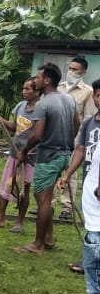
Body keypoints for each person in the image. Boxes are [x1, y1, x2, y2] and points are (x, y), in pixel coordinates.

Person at [58, 79, 100, 294]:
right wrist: (68, 174)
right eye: (98, 95)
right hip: (92, 218)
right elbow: (81, 151)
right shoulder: (89, 124)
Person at [14, 62, 77, 254]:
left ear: (47, 80)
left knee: (42, 199)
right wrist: (66, 141)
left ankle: (38, 244)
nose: (36, 79)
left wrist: (24, 151)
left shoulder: (43, 104)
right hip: (65, 154)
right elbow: (77, 123)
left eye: (39, 77)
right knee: (46, 198)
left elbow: (37, 135)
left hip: (48, 156)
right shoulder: (68, 99)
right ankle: (49, 239)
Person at [0, 77, 39, 232]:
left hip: (30, 156)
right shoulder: (21, 106)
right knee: (6, 184)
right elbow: (14, 127)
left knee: (24, 188)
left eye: (28, 89)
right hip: (15, 153)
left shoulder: (41, 110)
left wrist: (27, 151)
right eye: (23, 88)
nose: (24, 92)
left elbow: (40, 135)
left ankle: (19, 222)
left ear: (37, 91)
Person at [56, 54, 94, 220]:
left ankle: (67, 207)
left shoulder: (88, 92)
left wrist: (79, 141)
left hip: (74, 138)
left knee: (70, 172)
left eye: (75, 70)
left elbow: (87, 118)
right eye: (70, 69)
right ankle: (47, 203)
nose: (71, 72)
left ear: (83, 72)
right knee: (51, 169)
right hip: (54, 136)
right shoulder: (59, 88)